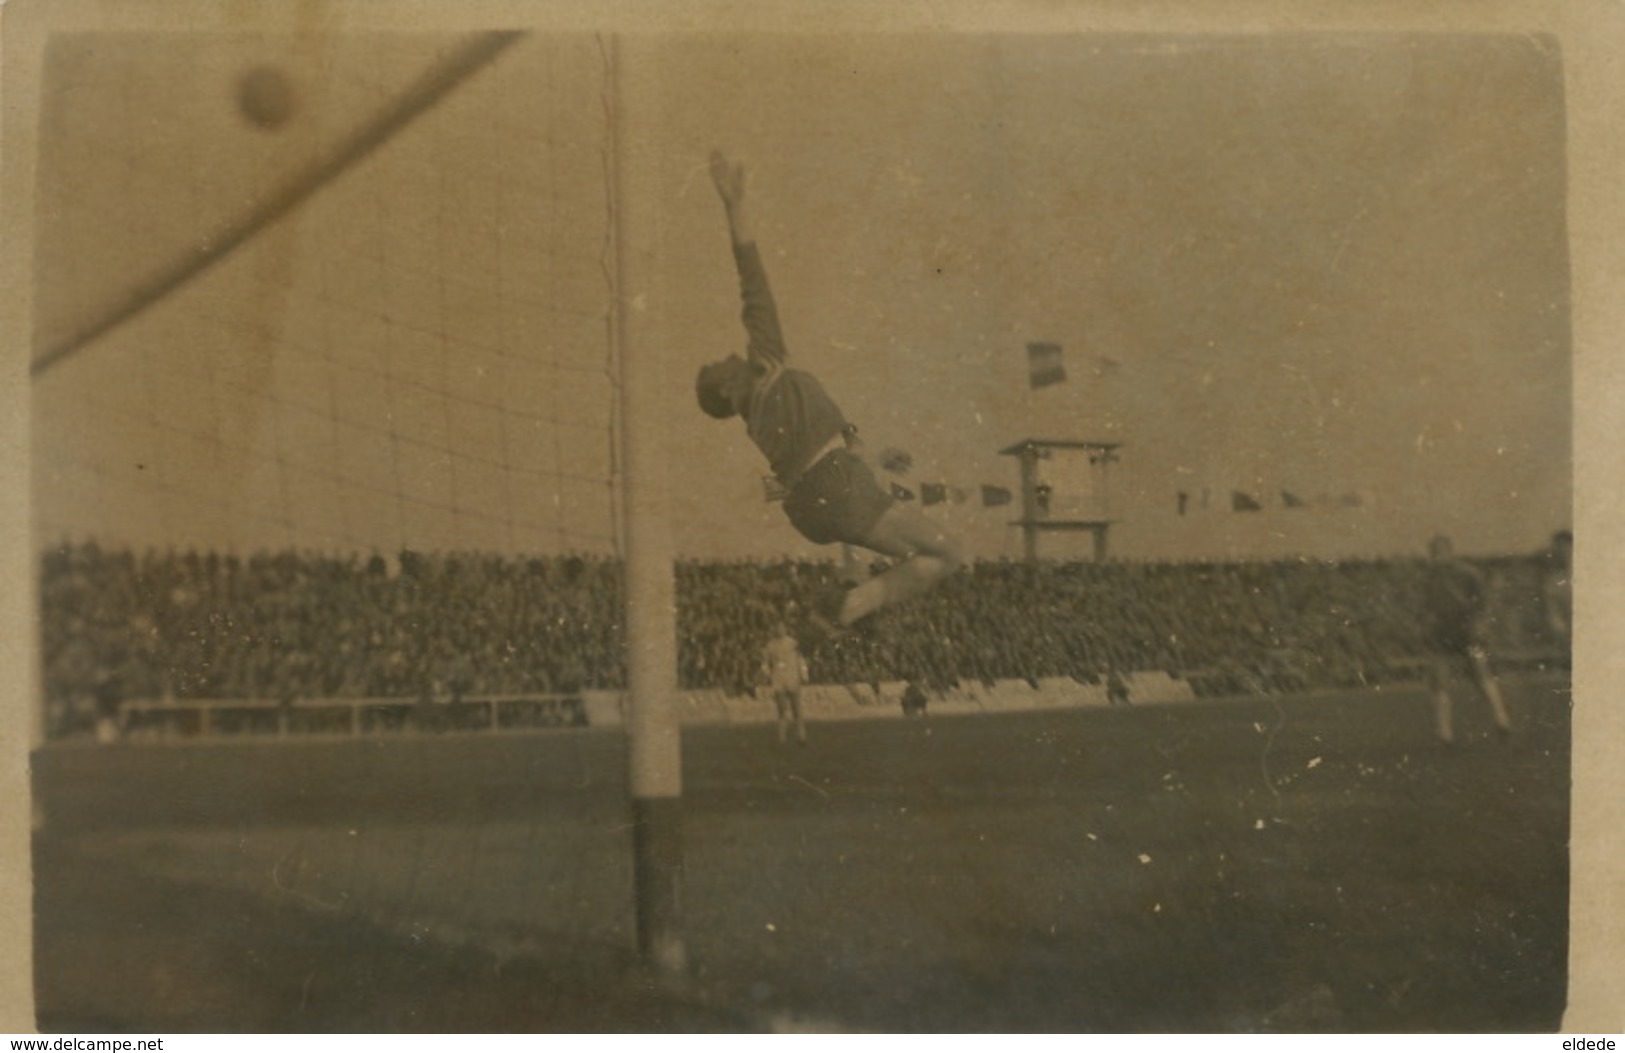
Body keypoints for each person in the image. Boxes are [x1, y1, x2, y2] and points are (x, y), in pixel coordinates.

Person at [696, 151, 963, 642]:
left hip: (810, 505)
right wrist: (735, 207)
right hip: (834, 486)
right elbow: (754, 284)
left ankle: (851, 598)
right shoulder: (766, 369)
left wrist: (868, 457)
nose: (731, 356)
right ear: (726, 387)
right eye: (722, 364)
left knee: (909, 549)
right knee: (945, 552)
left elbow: (833, 442)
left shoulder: (761, 414)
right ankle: (852, 605)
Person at [1421, 535, 1511, 745]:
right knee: (1439, 678)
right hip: (1441, 634)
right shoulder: (1429, 577)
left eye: (1441, 551)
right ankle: (1445, 732)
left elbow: (1484, 602)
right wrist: (1427, 627)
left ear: (1450, 552)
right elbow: (1427, 607)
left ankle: (1502, 719)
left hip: (1468, 632)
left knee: (1480, 673)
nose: (1437, 556)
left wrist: (1480, 626)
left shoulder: (1468, 573)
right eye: (1433, 552)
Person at [760, 622, 809, 745]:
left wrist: (804, 674)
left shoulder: (793, 643)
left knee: (797, 709)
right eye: (777, 628)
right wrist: (768, 675)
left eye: (782, 628)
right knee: (782, 709)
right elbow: (765, 663)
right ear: (775, 630)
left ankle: (801, 737)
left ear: (785, 629)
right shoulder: (770, 646)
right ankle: (782, 739)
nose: (779, 630)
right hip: (778, 680)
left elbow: (800, 660)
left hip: (793, 678)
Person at [1540, 529, 1572, 664]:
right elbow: (1552, 609)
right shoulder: (1554, 581)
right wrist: (1557, 623)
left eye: (1566, 548)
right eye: (1558, 548)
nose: (1562, 552)